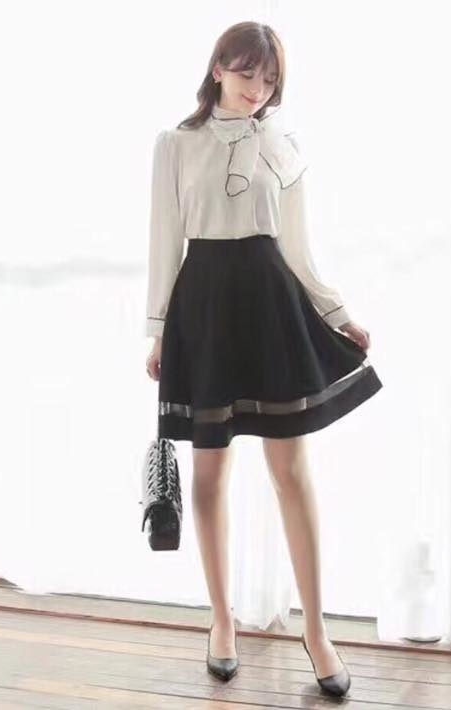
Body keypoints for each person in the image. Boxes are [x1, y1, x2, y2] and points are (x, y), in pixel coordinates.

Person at [143, 21, 382, 698]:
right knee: (209, 475)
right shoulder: (175, 144)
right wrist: (158, 331)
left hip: (272, 305)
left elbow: (299, 249)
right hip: (205, 310)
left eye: (270, 79)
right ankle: (222, 621)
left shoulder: (283, 144)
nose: (258, 89)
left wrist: (337, 313)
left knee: (292, 473)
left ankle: (317, 632)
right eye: (248, 74)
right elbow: (165, 240)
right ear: (218, 67)